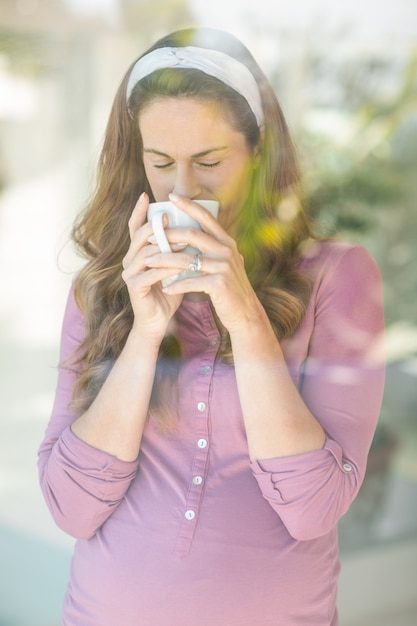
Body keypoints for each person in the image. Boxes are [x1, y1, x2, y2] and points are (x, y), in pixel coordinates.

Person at [38, 27, 385, 626]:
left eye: (209, 162)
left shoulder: (337, 275)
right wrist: (146, 334)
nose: (183, 190)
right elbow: (71, 510)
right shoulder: (101, 287)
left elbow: (313, 510)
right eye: (160, 162)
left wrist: (245, 315)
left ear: (259, 156)